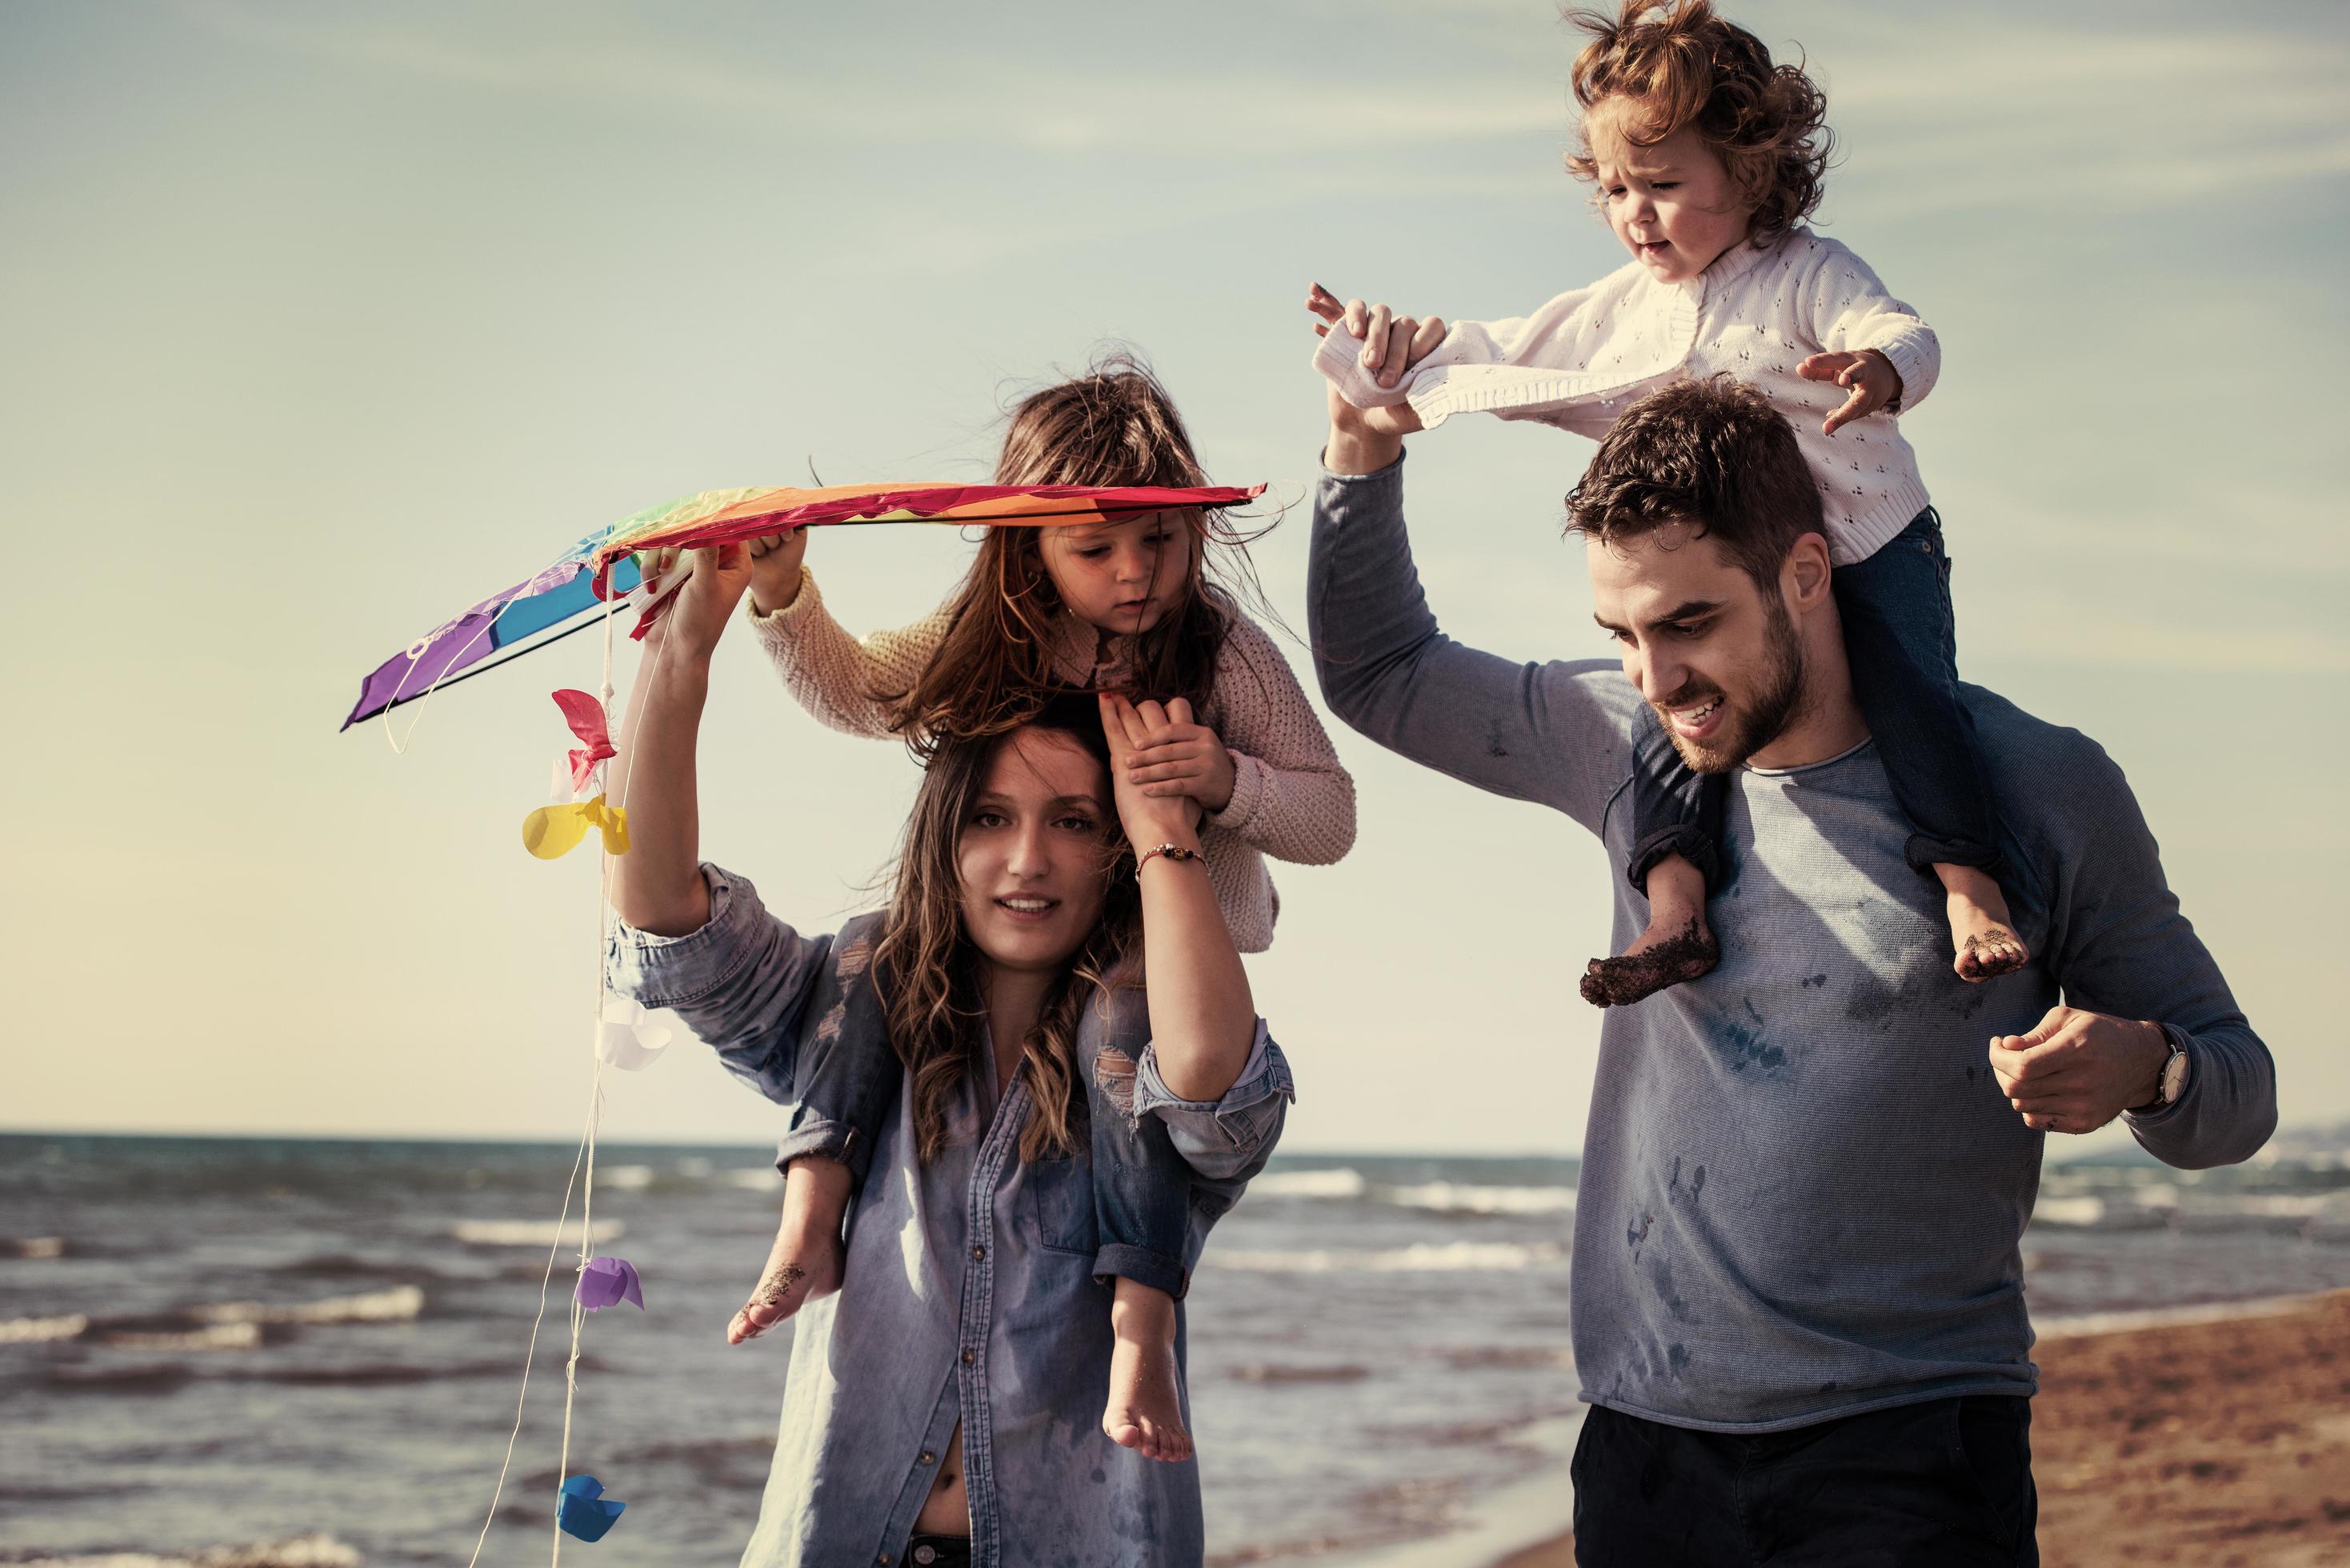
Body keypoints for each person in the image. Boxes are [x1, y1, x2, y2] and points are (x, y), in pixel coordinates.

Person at [1308, 373, 2275, 1565]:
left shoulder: (2038, 785)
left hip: (1911, 1452)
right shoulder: (1625, 742)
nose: (1657, 681)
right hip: (1645, 1449)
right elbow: (1379, 671)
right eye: (1623, 635)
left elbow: (2236, 1091)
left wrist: (2146, 1069)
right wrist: (1358, 450)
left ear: (1806, 575)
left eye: (1689, 624)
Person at [1306, 0, 2024, 1008]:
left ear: (1750, 168)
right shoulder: (1622, 308)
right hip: (1733, 571)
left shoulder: (1805, 273)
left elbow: (1903, 329)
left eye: (1664, 184)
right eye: (1613, 189)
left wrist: (1881, 369)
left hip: (1868, 542)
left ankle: (1967, 885)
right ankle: (1677, 913)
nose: (1634, 213)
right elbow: (1502, 352)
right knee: (1667, 720)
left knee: (1915, 699)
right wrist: (1380, 359)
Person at [606, 538, 1292, 1566]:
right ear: (945, 838)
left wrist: (1166, 831)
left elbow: (1211, 1086)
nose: (1028, 860)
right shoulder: (846, 1007)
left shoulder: (1144, 1036)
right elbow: (665, 918)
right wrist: (686, 653)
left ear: (1115, 849)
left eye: (1073, 821)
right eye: (989, 819)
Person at [734, 356, 1351, 1461]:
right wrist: (784, 597)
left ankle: (1141, 1325)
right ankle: (807, 1220)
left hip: (1148, 946)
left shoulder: (1217, 649)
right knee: (873, 952)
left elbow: (1329, 819)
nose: (1135, 574)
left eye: (1158, 540)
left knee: (1126, 1042)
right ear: (1028, 542)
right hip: (998, 932)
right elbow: (864, 692)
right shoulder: (996, 631)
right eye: (1096, 546)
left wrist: (1219, 778)